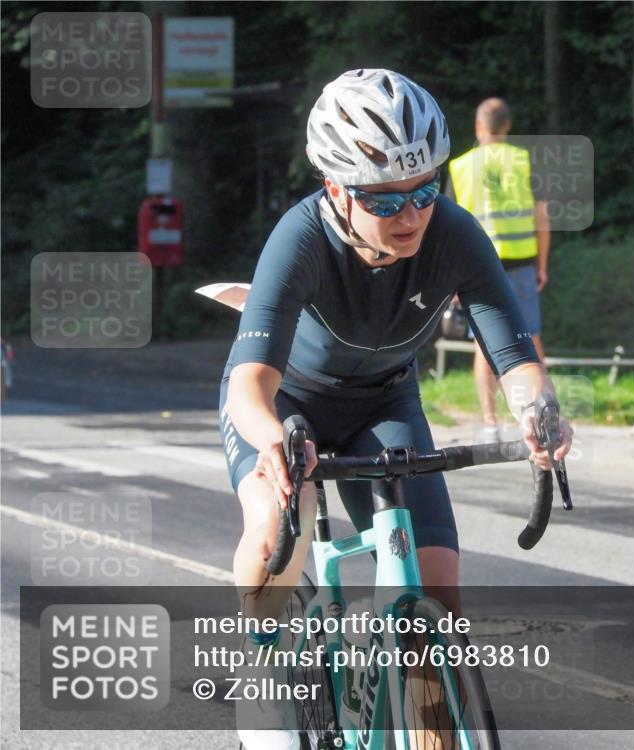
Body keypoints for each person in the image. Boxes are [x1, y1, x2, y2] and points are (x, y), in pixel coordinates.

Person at [218, 69, 572, 749]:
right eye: (383, 201)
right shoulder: (299, 239)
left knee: (435, 588)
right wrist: (271, 442)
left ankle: (428, 722)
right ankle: (265, 661)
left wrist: (538, 411)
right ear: (335, 191)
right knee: (275, 531)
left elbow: (514, 351)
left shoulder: (455, 234)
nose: (410, 216)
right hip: (286, 407)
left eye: (423, 192)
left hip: (383, 401)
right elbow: (248, 385)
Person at [447, 98, 550, 443]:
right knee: (531, 342)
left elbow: (448, 227)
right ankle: (541, 417)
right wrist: (542, 265)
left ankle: (490, 423)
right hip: (522, 262)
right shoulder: (524, 160)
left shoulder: (461, 166)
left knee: (483, 345)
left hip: (478, 268)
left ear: (479, 126)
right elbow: (541, 216)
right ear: (506, 127)